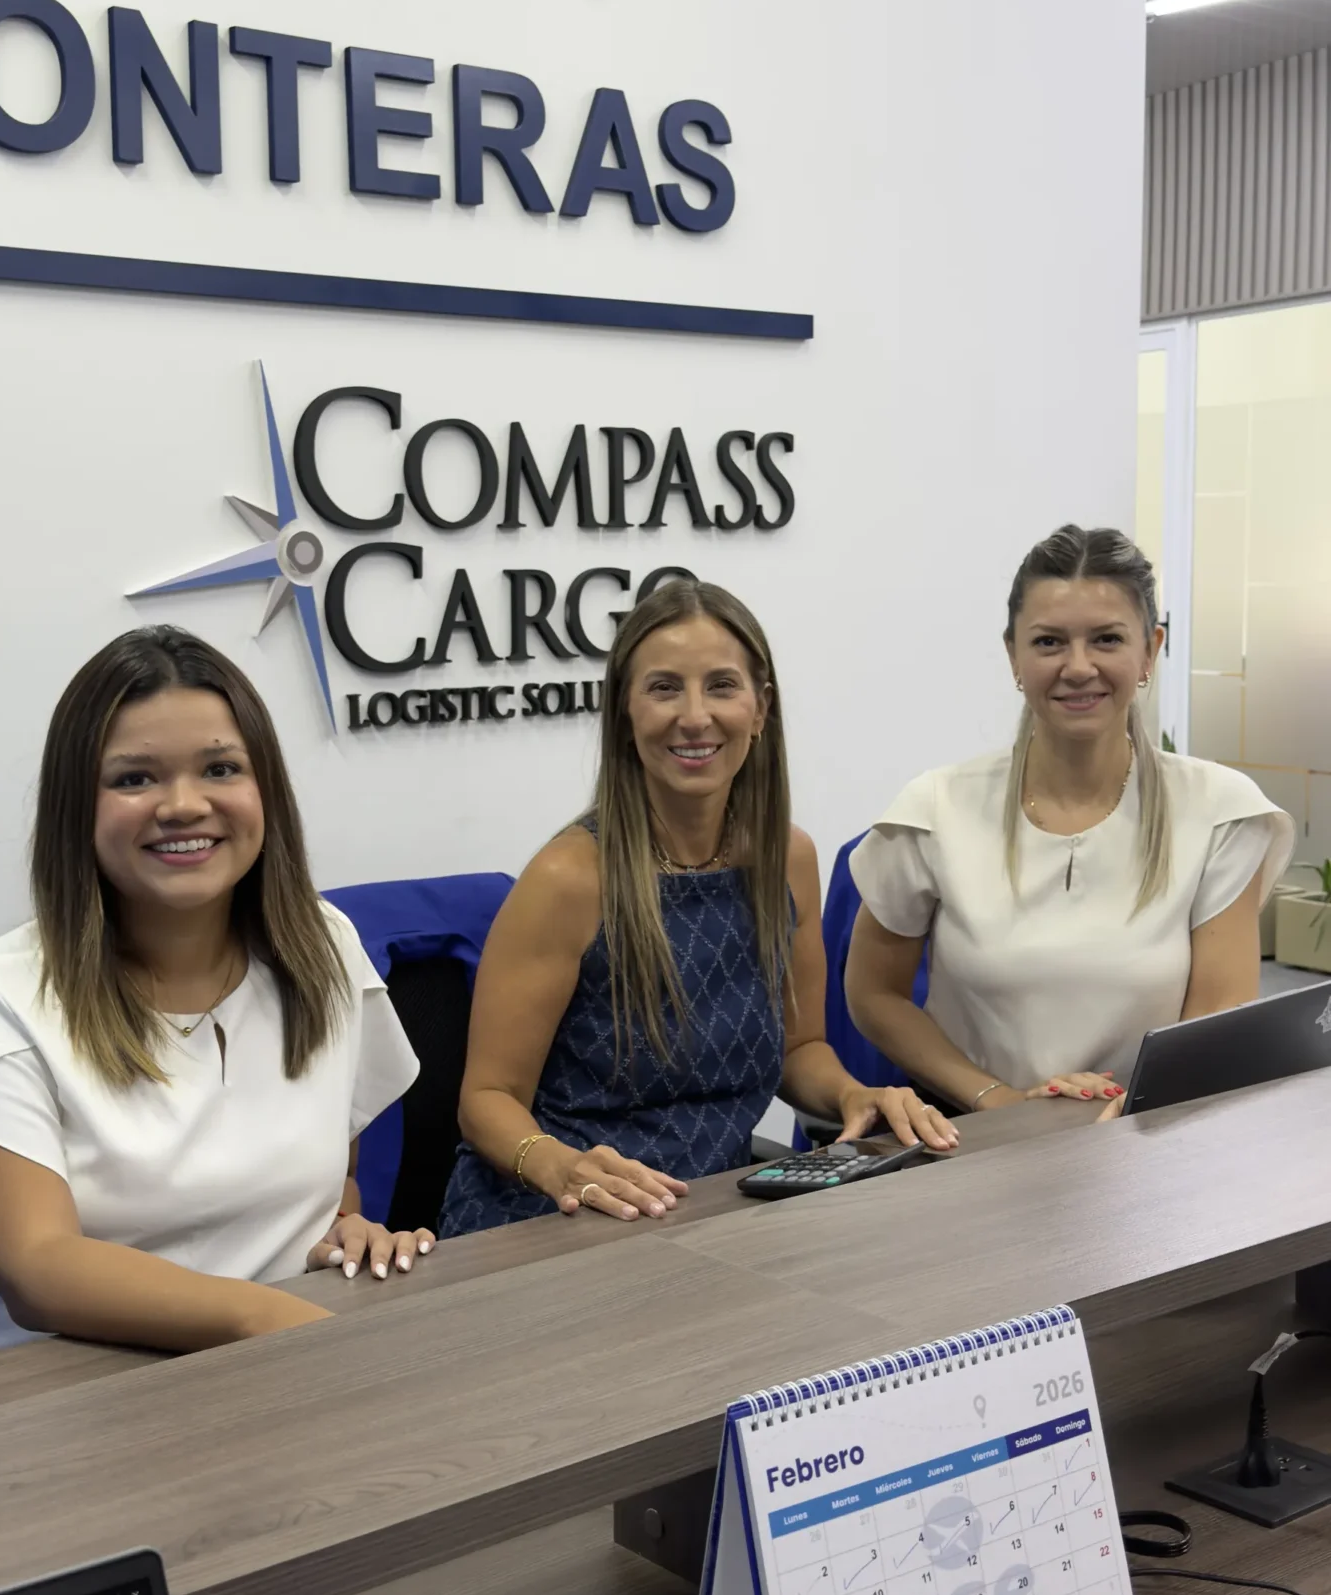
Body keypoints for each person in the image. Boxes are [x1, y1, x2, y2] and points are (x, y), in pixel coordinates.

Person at [0, 625, 433, 1370]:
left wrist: (344, 1226)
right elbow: (39, 1269)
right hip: (11, 1405)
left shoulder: (322, 948)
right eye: (134, 779)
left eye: (220, 768)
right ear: (76, 806)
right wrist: (295, 1327)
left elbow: (327, 1177)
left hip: (250, 1377)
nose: (182, 805)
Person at [442, 578, 956, 1235]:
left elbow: (798, 1048)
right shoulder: (568, 878)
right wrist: (561, 1168)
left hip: (709, 1218)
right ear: (624, 713)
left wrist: (854, 1094)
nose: (694, 716)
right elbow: (487, 1100)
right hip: (552, 1220)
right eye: (664, 688)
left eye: (721, 686)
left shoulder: (787, 859)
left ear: (760, 709)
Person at [846, 524, 1295, 1120]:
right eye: (1049, 642)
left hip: (1148, 1137)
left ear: (1150, 650)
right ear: (1014, 655)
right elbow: (874, 994)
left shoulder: (1221, 812)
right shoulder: (934, 810)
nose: (1078, 667)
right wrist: (1001, 1104)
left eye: (1107, 639)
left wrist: (1136, 1113)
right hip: (978, 1138)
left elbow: (1218, 1013)